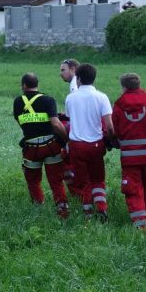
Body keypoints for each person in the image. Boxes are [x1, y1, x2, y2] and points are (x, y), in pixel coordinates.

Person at [13, 72, 71, 219]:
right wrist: (67, 140)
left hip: (31, 148)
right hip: (51, 146)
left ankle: (38, 207)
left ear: (24, 86)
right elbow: (56, 124)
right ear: (37, 85)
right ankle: (62, 208)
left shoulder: (17, 102)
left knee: (33, 180)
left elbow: (20, 122)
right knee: (56, 179)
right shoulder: (48, 100)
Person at [112, 73, 146, 232]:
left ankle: (141, 227)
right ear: (139, 85)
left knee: (133, 190)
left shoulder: (119, 106)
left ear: (124, 87)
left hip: (130, 159)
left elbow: (114, 130)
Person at [64, 63, 115, 221]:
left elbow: (69, 120)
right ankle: (102, 207)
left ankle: (87, 213)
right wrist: (111, 140)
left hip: (77, 146)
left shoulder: (71, 98)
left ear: (78, 79)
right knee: (98, 179)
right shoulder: (102, 97)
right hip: (96, 145)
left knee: (84, 181)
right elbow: (109, 125)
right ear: (94, 78)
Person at [58, 58, 81, 195]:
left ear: (73, 69)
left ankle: (77, 192)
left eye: (63, 70)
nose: (61, 73)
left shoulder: (74, 85)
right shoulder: (77, 82)